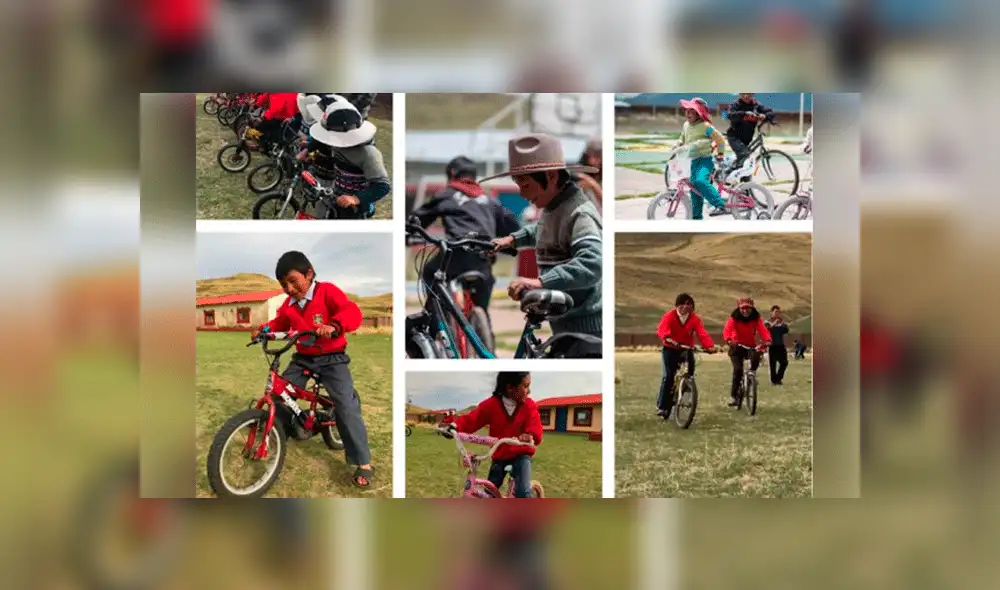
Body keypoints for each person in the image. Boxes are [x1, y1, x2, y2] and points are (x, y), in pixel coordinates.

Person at [251, 251, 375, 488]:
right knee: (280, 392)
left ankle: (363, 462)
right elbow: (279, 324)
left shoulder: (327, 291)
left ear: (309, 274)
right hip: (303, 358)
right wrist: (264, 330)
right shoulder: (289, 305)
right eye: (283, 284)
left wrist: (335, 325)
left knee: (346, 406)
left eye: (293, 281)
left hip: (332, 358)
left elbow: (352, 312)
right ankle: (285, 430)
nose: (288, 288)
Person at [488, 134, 603, 347]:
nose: (521, 193)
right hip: (565, 324)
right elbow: (543, 231)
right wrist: (512, 240)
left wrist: (540, 282)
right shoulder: (555, 207)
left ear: (551, 177)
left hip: (586, 332)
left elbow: (593, 262)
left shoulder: (579, 213)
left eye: (526, 184)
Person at [410, 155, 522, 348]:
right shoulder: (488, 199)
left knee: (430, 270)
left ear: (451, 174)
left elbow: (418, 221)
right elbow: (512, 226)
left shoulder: (447, 194)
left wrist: (409, 235)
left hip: (455, 255)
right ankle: (483, 332)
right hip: (483, 259)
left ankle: (439, 319)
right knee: (482, 307)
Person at [442, 372, 543, 498]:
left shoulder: (529, 405)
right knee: (489, 493)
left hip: (521, 454)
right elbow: (473, 418)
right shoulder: (492, 404)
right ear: (510, 387)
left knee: (522, 491)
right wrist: (454, 427)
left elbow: (535, 424)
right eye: (526, 386)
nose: (529, 391)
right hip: (500, 455)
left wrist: (529, 434)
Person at [300, 96, 391, 219]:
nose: (329, 141)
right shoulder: (337, 145)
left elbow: (382, 186)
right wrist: (312, 155)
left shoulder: (369, 154)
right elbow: (335, 161)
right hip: (336, 197)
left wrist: (356, 198)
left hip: (355, 209)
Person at [654, 293, 717, 417]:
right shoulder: (669, 316)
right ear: (677, 306)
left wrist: (709, 346)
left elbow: (702, 333)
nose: (685, 307)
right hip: (670, 349)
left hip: (686, 349)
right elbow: (662, 329)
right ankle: (662, 406)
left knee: (690, 374)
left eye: (689, 304)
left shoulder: (694, 319)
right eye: (682, 304)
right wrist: (668, 338)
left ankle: (685, 388)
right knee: (668, 376)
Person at [678, 97, 729, 219]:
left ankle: (720, 204)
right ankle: (697, 217)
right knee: (694, 189)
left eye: (692, 111)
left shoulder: (705, 126)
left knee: (700, 181)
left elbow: (720, 139)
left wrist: (720, 154)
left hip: (705, 160)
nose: (688, 113)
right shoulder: (686, 125)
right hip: (692, 161)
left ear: (699, 113)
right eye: (687, 110)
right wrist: (678, 144)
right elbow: (682, 138)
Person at [722, 297, 772, 407]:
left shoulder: (756, 318)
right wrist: (729, 339)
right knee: (738, 370)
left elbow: (763, 330)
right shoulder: (734, 318)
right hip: (736, 346)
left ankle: (751, 377)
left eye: (748, 308)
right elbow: (727, 330)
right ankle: (734, 396)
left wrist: (767, 340)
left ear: (752, 308)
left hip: (750, 345)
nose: (745, 311)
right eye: (742, 308)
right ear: (739, 308)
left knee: (756, 357)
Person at [725, 93, 775, 176]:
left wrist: (765, 116)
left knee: (746, 163)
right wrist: (744, 113)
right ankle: (728, 174)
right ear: (740, 94)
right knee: (744, 155)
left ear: (753, 94)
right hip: (734, 137)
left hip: (747, 139)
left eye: (749, 94)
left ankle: (745, 186)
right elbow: (729, 115)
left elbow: (771, 113)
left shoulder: (756, 105)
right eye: (743, 93)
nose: (746, 96)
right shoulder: (736, 104)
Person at [573, 137, 603, 212]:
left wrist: (592, 184)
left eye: (597, 157)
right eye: (590, 156)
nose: (593, 161)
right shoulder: (579, 171)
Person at [765, 305, 791, 385]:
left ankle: (778, 378)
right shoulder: (767, 321)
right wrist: (774, 324)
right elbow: (766, 330)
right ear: (771, 312)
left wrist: (783, 324)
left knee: (784, 363)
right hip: (772, 346)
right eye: (776, 312)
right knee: (773, 365)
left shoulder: (781, 321)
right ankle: (774, 381)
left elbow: (786, 330)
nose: (777, 313)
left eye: (779, 312)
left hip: (780, 345)